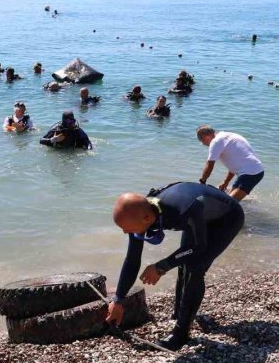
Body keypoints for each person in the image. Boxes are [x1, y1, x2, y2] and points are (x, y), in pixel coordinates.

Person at [106, 183, 245, 350]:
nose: (124, 232)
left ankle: (181, 334)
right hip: (199, 216)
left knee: (194, 267)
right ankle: (179, 313)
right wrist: (119, 299)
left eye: (126, 229)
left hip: (227, 218)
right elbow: (132, 259)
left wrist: (161, 267)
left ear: (147, 219)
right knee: (182, 262)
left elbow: (197, 248)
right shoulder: (141, 213)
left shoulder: (182, 210)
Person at [196, 125, 265, 201]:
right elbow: (233, 163)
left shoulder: (215, 142)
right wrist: (226, 182)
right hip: (252, 171)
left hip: (250, 174)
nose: (203, 144)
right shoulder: (228, 135)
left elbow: (210, 164)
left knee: (229, 203)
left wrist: (202, 181)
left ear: (205, 137)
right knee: (228, 197)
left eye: (202, 141)